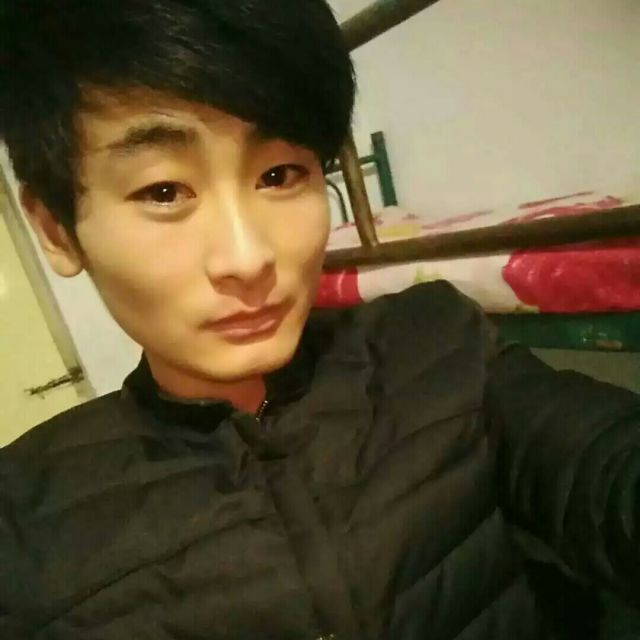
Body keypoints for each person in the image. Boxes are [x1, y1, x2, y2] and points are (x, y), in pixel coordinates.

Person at [0, 1, 638, 638]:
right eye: (163, 191)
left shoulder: (435, 343)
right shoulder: (22, 523)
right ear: (56, 230)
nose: (248, 258)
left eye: (280, 175)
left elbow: (602, 464)